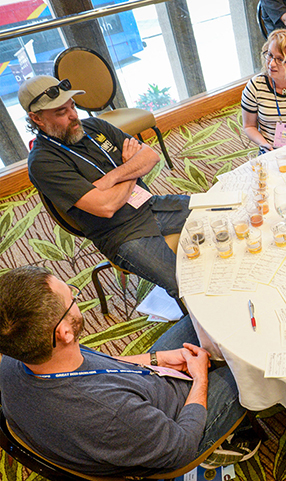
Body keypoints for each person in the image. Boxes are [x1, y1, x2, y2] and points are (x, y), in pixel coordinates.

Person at [0, 266, 261, 476]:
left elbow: (99, 364)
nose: (75, 295)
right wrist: (200, 380)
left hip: (142, 392)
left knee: (205, 315)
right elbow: (181, 446)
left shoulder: (19, 353)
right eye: (72, 297)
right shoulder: (110, 415)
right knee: (252, 366)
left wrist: (157, 359)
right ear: (64, 333)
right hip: (174, 429)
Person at [20, 75, 188, 299]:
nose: (73, 116)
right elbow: (107, 206)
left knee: (223, 212)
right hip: (121, 234)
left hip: (149, 205)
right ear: (37, 119)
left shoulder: (94, 126)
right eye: (61, 112)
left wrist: (112, 178)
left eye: (72, 106)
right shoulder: (43, 162)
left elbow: (150, 156)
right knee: (186, 283)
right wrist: (129, 167)